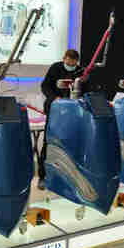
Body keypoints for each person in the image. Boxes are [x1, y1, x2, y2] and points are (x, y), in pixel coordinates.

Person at [38, 49, 85, 186]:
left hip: (74, 112)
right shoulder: (55, 67)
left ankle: (70, 177)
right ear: (64, 58)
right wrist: (54, 98)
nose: (70, 65)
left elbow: (86, 89)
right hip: (55, 110)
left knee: (73, 142)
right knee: (49, 142)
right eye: (68, 62)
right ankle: (43, 176)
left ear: (77, 62)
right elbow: (45, 86)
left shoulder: (81, 71)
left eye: (73, 63)